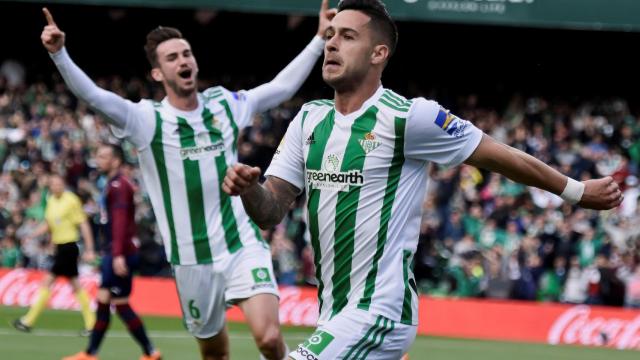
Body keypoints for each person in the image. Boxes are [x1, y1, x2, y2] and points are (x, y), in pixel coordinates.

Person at [222, 1, 624, 358]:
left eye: (347, 36)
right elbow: (271, 210)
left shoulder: (408, 117)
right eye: (330, 35)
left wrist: (574, 190)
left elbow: (500, 156)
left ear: (379, 53)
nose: (331, 44)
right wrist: (249, 189)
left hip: (380, 311)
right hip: (332, 313)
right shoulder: (308, 118)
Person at [40, 1, 336, 358]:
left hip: (240, 243)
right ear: (158, 73)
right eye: (172, 58)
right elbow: (93, 96)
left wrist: (319, 39)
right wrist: (60, 54)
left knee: (271, 339)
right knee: (214, 353)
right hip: (191, 260)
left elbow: (280, 88)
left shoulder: (223, 105)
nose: (183, 61)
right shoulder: (146, 120)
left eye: (187, 53)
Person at [63, 144, 160, 360]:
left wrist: (117, 255)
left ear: (116, 160)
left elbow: (120, 222)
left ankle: (149, 352)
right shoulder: (113, 184)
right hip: (117, 251)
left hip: (120, 253)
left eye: (103, 156)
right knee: (105, 299)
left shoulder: (119, 185)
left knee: (118, 302)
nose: (98, 159)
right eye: (98, 155)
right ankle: (92, 353)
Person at [13, 174, 96, 335]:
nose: (56, 187)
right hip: (60, 247)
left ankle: (28, 321)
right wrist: (32, 235)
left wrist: (90, 249)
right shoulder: (51, 200)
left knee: (48, 281)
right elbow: (49, 224)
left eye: (58, 184)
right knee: (74, 285)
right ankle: (92, 324)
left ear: (63, 184)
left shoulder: (71, 200)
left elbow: (83, 223)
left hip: (69, 246)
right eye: (53, 185)